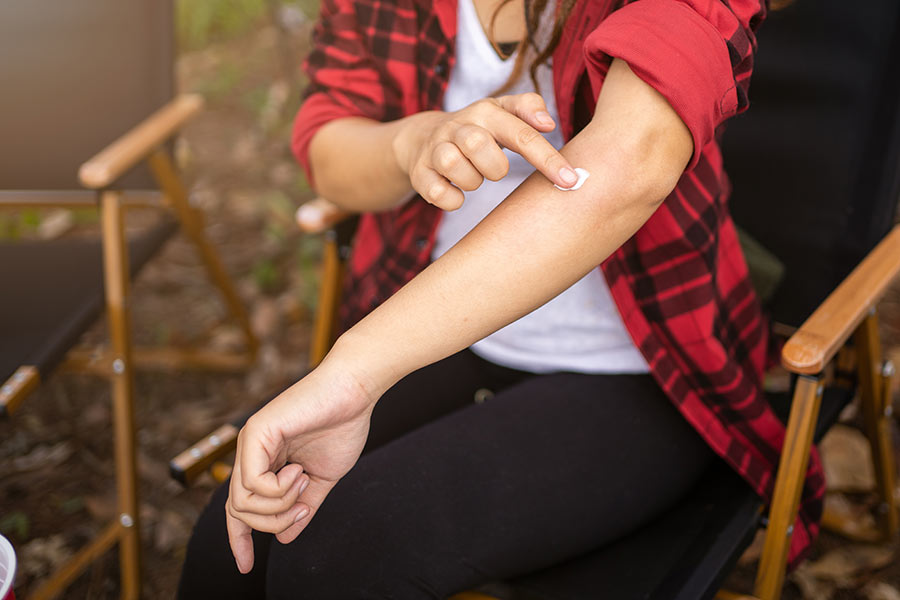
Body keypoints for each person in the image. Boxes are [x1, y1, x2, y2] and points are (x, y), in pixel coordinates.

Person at [179, 0, 824, 597]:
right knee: (229, 543)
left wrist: (354, 371)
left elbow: (635, 158)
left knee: (341, 562)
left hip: (640, 367)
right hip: (443, 338)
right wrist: (414, 141)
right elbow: (329, 148)